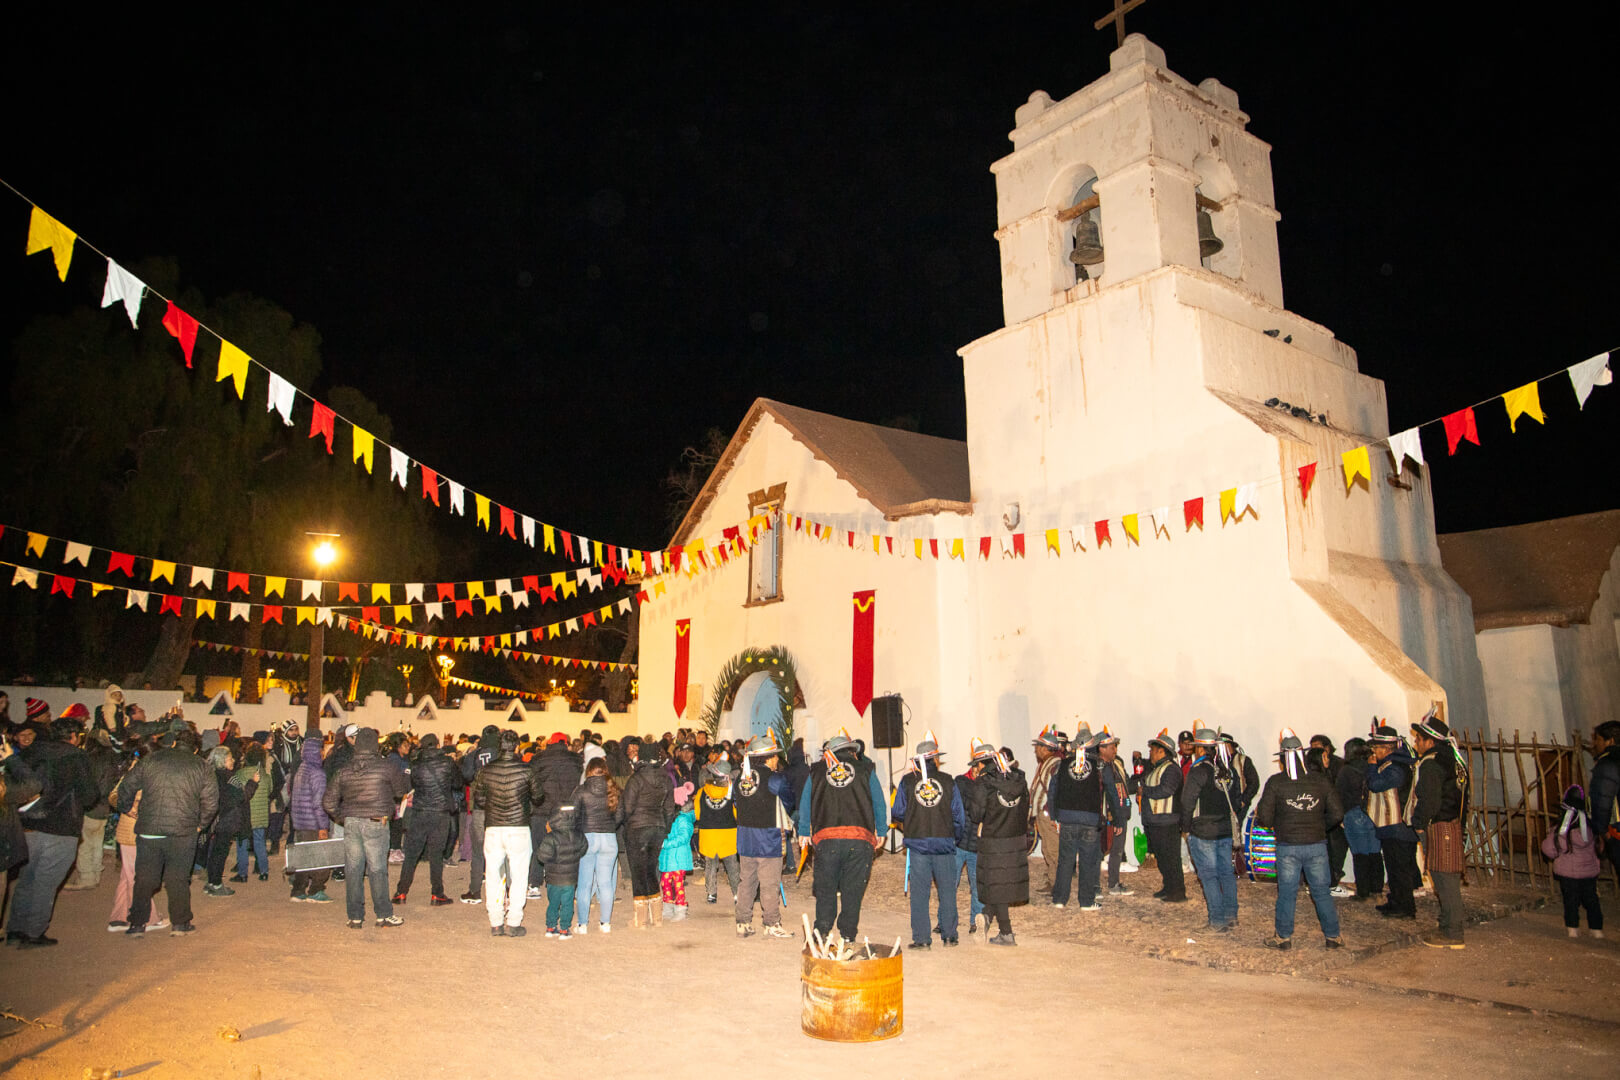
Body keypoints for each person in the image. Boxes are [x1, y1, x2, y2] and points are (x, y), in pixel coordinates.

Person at [116, 721, 217, 938]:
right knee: (178, 878)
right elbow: (211, 802)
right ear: (196, 749)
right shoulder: (201, 766)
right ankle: (180, 923)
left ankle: (137, 924)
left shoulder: (151, 760)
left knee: (144, 878)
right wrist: (202, 824)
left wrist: (127, 808)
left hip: (150, 828)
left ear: (174, 744)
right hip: (183, 831)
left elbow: (127, 785)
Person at [6, 718, 99, 947]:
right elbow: (89, 796)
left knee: (26, 879)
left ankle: (14, 930)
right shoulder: (76, 756)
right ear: (75, 736)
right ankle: (34, 933)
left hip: (27, 825)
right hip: (61, 826)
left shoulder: (32, 751)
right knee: (46, 882)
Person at [796, 730, 888, 945]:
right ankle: (847, 934)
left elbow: (805, 802)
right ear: (851, 751)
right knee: (852, 890)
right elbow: (879, 801)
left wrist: (803, 831)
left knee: (826, 888)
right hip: (860, 838)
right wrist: (881, 830)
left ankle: (822, 932)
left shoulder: (817, 770)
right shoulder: (866, 769)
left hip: (826, 838)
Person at [1256, 729, 1344, 950]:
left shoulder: (1276, 782)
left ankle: (1283, 937)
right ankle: (1333, 936)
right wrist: (1319, 826)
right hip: (1316, 845)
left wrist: (1275, 822)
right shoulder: (1320, 781)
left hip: (1288, 846)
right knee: (1321, 892)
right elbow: (1337, 812)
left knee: (1287, 893)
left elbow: (1264, 817)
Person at [324, 727, 412, 930]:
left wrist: (342, 818)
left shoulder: (344, 769)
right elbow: (400, 791)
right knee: (377, 870)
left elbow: (328, 802)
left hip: (352, 822)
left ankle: (355, 917)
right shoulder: (385, 767)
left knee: (353, 870)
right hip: (376, 822)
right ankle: (383, 914)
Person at [892, 732, 967, 949]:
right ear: (935, 760)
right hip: (944, 842)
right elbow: (958, 816)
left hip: (918, 843)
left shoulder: (907, 781)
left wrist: (912, 819)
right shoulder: (948, 781)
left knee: (920, 892)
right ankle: (950, 934)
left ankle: (922, 938)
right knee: (947, 890)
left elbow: (897, 811)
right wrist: (954, 838)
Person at [472, 730, 545, 938]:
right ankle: (514, 921)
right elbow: (538, 796)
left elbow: (479, 798)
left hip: (494, 827)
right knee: (519, 876)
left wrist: (494, 807)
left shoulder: (487, 770)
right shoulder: (526, 769)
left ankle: (495, 921)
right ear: (517, 747)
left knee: (494, 875)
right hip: (518, 827)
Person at [1408, 712, 1470, 949]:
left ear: (1430, 742)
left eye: (1419, 740)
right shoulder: (1453, 761)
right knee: (1446, 878)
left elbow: (1430, 800)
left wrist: (1419, 822)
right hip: (1451, 824)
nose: (1416, 743)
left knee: (1445, 881)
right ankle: (1447, 925)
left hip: (1439, 826)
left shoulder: (1433, 764)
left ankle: (1453, 933)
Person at [967, 739, 1029, 946]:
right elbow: (1025, 806)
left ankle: (1006, 932)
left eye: (976, 765)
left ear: (982, 764)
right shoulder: (1018, 778)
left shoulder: (983, 784)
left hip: (994, 839)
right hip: (1015, 837)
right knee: (1000, 884)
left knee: (996, 885)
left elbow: (976, 814)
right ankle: (986, 916)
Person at [734, 733, 795, 939]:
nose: (777, 759)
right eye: (775, 756)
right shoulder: (775, 778)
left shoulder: (740, 779)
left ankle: (742, 921)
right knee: (769, 882)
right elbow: (788, 801)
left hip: (745, 835)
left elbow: (736, 803)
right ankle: (771, 922)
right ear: (768, 758)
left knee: (747, 880)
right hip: (768, 836)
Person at [1181, 727, 1239, 931]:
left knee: (1209, 875)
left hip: (1204, 830)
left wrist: (1186, 828)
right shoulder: (1228, 771)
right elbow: (1237, 800)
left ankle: (1217, 920)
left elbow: (1187, 802)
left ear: (1200, 749)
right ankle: (1231, 914)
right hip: (1224, 830)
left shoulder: (1199, 771)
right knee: (1226, 873)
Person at [393, 733, 458, 906]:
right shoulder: (448, 763)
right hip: (440, 813)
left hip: (420, 812)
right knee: (436, 854)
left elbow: (412, 785)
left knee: (412, 854)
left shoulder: (415, 764)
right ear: (437, 745)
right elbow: (458, 783)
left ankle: (401, 892)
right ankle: (437, 894)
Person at [1048, 724, 1108, 911]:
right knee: (1088, 862)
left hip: (1067, 818)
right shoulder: (1099, 765)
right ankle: (1086, 901)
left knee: (1065, 860)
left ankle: (1059, 899)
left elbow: (1053, 790)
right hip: (1090, 820)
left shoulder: (1063, 764)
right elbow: (1110, 793)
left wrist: (1054, 813)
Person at [107, 755, 169, 932]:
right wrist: (131, 807)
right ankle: (147, 918)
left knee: (127, 875)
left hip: (128, 832)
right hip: (136, 833)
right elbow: (113, 796)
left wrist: (127, 806)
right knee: (137, 876)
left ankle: (118, 918)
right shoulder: (143, 780)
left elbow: (113, 796)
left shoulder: (128, 779)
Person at [1365, 722, 1420, 920]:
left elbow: (1376, 785)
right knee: (1394, 868)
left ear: (1387, 748)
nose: (1374, 752)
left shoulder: (1396, 767)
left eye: (1376, 748)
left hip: (1398, 827)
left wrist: (1371, 768)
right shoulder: (1395, 764)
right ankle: (1396, 901)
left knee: (1400, 869)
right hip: (1392, 827)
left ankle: (1405, 907)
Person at [621, 736, 675, 932]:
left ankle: (641, 920)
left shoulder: (636, 779)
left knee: (638, 871)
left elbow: (627, 807)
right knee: (652, 869)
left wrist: (625, 824)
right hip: (658, 828)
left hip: (638, 828)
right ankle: (658, 917)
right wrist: (665, 828)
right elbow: (670, 808)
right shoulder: (665, 778)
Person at [1541, 784, 1604, 940]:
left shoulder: (1561, 833)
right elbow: (1599, 849)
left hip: (1568, 874)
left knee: (1571, 901)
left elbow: (1548, 849)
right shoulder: (1590, 831)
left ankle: (1573, 929)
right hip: (1588, 874)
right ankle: (1596, 929)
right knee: (1591, 900)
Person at [65, 726, 121, 891]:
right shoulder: (113, 758)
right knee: (97, 841)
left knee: (85, 843)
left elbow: (86, 784)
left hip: (90, 806)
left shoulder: (89, 758)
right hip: (105, 807)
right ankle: (95, 872)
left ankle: (87, 877)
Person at [572, 756, 623, 932]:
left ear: (588, 771)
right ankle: (605, 923)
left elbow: (574, 816)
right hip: (609, 839)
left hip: (588, 838)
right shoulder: (614, 790)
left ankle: (582, 923)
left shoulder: (581, 790)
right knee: (606, 883)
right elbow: (619, 816)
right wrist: (609, 827)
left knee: (585, 883)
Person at [529, 731, 583, 897]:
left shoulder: (538, 758)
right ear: (566, 744)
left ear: (550, 743)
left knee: (538, 847)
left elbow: (532, 783)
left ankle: (534, 885)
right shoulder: (576, 759)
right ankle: (568, 884)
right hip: (566, 810)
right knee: (567, 848)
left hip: (541, 810)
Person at [203, 745, 258, 897]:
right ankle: (216, 884)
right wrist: (252, 783)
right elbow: (242, 797)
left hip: (215, 818)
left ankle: (211, 882)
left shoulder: (211, 775)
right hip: (227, 819)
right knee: (221, 852)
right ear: (222, 761)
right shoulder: (230, 777)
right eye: (229, 759)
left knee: (215, 851)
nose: (232, 761)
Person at [1139, 729, 1186, 903]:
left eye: (1152, 749)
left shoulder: (1172, 769)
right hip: (1158, 821)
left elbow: (1167, 790)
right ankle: (1169, 887)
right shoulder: (1157, 769)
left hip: (1167, 821)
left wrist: (1146, 791)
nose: (1150, 753)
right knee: (1163, 857)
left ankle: (1178, 892)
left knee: (1171, 858)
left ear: (1161, 751)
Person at [288, 732, 334, 903]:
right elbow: (318, 803)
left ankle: (298, 891)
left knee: (303, 857)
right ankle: (316, 890)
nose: (323, 754)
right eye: (321, 751)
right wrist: (323, 826)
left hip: (300, 821)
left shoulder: (301, 769)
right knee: (321, 858)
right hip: (313, 823)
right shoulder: (317, 773)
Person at [458, 724, 502, 904]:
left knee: (478, 850)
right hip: (500, 807)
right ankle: (500, 892)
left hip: (480, 807)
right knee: (501, 850)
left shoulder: (474, 754)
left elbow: (466, 776)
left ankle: (474, 891)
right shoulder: (502, 754)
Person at [1338, 738, 1383, 901]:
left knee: (1360, 854)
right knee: (1375, 852)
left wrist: (1340, 816)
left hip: (1353, 813)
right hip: (1372, 812)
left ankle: (1363, 891)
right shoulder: (1373, 767)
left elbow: (1340, 795)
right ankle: (1377, 888)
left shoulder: (1346, 770)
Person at [695, 759, 742, 912]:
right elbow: (736, 814)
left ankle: (711, 893)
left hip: (709, 833)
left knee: (710, 864)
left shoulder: (702, 792)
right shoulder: (731, 792)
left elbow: (697, 814)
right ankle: (737, 894)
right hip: (728, 834)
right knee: (732, 866)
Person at [535, 800, 586, 939]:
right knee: (567, 904)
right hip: (570, 879)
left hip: (553, 878)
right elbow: (584, 848)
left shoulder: (551, 837)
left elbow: (541, 856)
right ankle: (564, 929)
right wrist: (574, 856)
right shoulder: (578, 835)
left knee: (553, 903)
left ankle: (550, 927)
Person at [1027, 726, 1065, 894]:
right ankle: (1053, 881)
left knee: (1053, 849)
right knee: (1047, 849)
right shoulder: (1048, 763)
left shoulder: (1056, 764)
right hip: (1042, 813)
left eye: (1038, 747)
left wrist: (1050, 812)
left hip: (1048, 813)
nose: (1036, 750)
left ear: (1045, 748)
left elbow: (1056, 790)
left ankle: (1059, 885)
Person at [1096, 727, 1133, 896]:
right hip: (1106, 816)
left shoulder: (1115, 764)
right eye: (1112, 747)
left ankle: (1113, 883)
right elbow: (1110, 793)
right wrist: (1117, 817)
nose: (1115, 750)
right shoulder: (1101, 767)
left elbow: (1122, 788)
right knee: (1098, 851)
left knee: (1116, 850)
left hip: (1118, 813)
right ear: (1102, 748)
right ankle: (1096, 886)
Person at [230, 744, 275, 882]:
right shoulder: (265, 776)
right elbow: (270, 791)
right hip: (260, 815)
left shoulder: (240, 774)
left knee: (242, 844)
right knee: (260, 843)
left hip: (245, 815)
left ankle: (242, 874)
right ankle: (264, 872)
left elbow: (235, 794)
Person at [660, 782, 696, 922]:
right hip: (669, 857)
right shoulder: (674, 818)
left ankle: (680, 909)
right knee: (666, 882)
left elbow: (683, 837)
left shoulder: (683, 820)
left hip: (678, 857)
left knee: (678, 884)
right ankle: (668, 907)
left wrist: (666, 843)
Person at [1587, 721, 1620, 868]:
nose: (1594, 744)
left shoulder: (1608, 764)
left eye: (1598, 739)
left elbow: (1603, 799)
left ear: (1610, 741)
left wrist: (1602, 831)